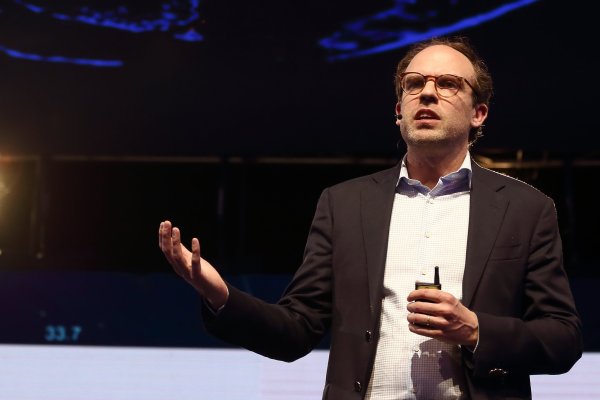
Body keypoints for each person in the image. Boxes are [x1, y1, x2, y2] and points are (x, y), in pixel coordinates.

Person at [158, 35, 583, 399]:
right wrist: (220, 296)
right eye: (414, 84)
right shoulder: (345, 205)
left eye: (449, 84)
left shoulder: (526, 208)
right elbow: (295, 332)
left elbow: (562, 340)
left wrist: (475, 329)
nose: (428, 93)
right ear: (398, 109)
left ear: (479, 113)